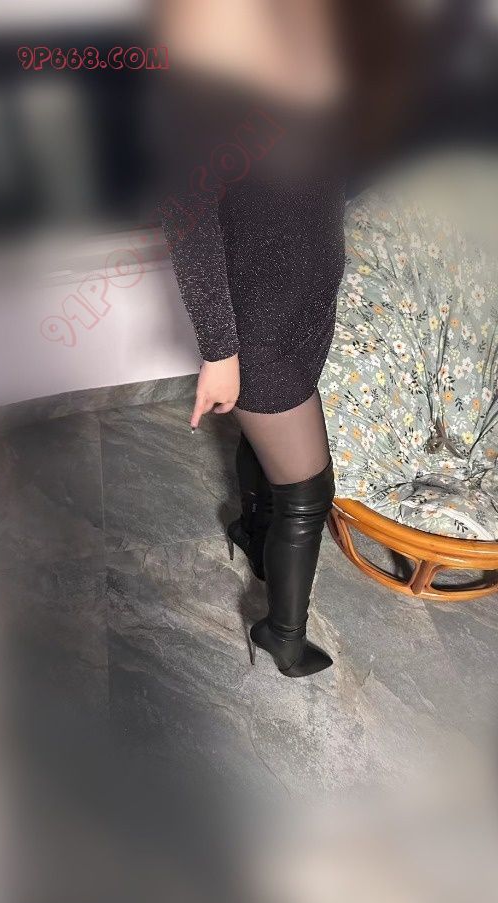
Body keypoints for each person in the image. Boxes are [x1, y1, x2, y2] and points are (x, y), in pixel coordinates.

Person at [154, 0, 409, 677]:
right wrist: (220, 352)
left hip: (305, 305)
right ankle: (282, 635)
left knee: (264, 444)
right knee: (307, 490)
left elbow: (320, 181)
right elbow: (188, 226)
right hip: (256, 326)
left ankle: (251, 530)